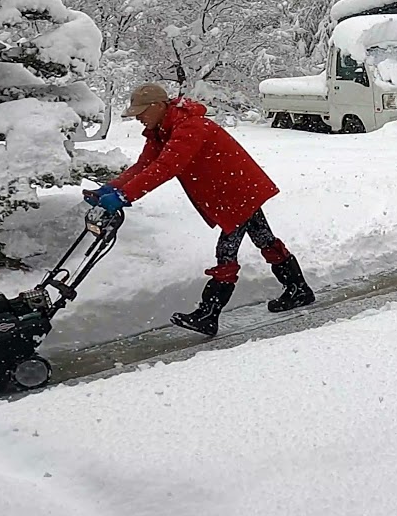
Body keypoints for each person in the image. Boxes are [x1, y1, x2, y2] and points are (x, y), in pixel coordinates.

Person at [84, 83, 314, 336]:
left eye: (141, 111)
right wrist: (110, 188)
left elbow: (166, 167)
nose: (138, 117)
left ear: (159, 106)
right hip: (231, 191)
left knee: (226, 252)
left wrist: (125, 195)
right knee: (263, 239)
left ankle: (208, 314)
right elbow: (145, 165)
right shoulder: (161, 130)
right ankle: (298, 289)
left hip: (237, 190)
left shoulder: (189, 127)